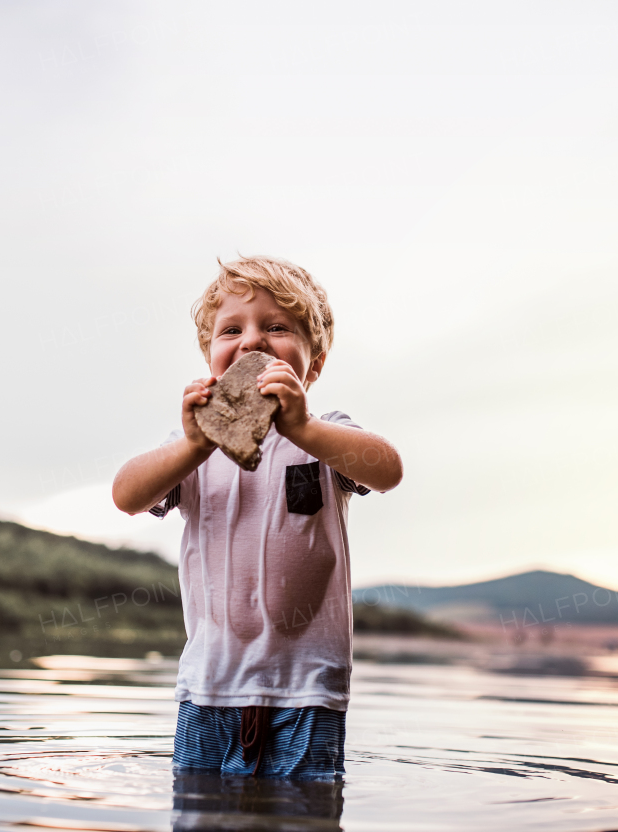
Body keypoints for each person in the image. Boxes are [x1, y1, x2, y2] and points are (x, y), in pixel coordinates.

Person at [112, 255, 402, 780]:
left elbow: (387, 470)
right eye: (232, 330)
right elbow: (126, 495)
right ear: (211, 359)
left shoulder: (325, 436)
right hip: (209, 683)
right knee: (200, 810)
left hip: (308, 686)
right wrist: (195, 446)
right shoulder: (190, 448)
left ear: (311, 368)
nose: (252, 341)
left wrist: (304, 428)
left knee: (302, 812)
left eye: (276, 327)